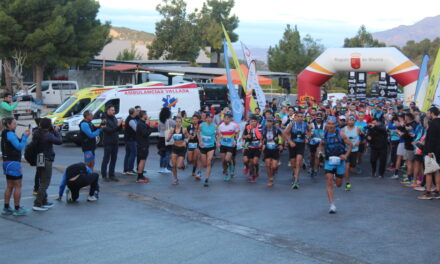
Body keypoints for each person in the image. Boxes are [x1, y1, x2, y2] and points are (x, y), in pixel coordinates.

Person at [317, 116, 352, 214]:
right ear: (326, 124)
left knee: (339, 184)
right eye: (329, 123)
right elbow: (321, 145)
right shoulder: (324, 134)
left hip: (340, 160)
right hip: (329, 160)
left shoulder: (341, 133)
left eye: (332, 124)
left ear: (336, 124)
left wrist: (346, 155)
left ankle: (337, 176)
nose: (331, 126)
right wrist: (320, 152)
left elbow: (350, 145)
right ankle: (332, 205)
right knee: (328, 180)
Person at [32, 118, 63, 211]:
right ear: (49, 125)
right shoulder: (47, 135)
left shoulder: (36, 132)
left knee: (42, 180)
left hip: (39, 157)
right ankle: (37, 203)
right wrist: (56, 131)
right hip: (46, 159)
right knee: (45, 182)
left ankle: (44, 201)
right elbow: (59, 141)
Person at [1, 118, 30, 216]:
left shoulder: (5, 133)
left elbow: (15, 144)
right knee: (18, 186)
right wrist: (25, 137)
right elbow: (19, 147)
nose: (16, 125)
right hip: (13, 163)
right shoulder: (10, 134)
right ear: (8, 124)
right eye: (14, 123)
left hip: (6, 162)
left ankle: (6, 207)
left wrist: (23, 136)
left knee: (9, 186)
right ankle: (17, 209)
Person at [284, 111, 309, 189]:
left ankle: (296, 181)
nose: (300, 118)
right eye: (298, 116)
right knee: (293, 163)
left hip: (301, 145)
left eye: (301, 116)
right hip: (293, 145)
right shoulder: (292, 124)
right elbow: (285, 133)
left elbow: (308, 132)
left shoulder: (305, 124)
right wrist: (290, 141)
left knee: (298, 162)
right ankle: (294, 174)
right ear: (296, 117)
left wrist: (307, 138)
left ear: (303, 118)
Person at [420, 106, 440, 199]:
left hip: (431, 151)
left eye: (428, 113)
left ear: (432, 113)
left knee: (428, 172)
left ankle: (428, 192)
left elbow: (431, 139)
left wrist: (429, 151)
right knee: (437, 171)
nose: (427, 114)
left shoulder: (432, 124)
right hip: (438, 150)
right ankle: (437, 192)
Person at [101, 105, 122, 182]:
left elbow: (117, 129)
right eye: (112, 110)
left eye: (114, 110)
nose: (114, 111)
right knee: (106, 159)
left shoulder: (114, 118)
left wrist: (120, 126)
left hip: (115, 142)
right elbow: (108, 131)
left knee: (114, 159)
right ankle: (104, 175)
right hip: (108, 142)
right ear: (108, 110)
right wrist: (117, 126)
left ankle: (111, 174)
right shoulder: (104, 120)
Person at [217, 112, 240, 181]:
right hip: (223, 145)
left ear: (230, 119)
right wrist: (218, 142)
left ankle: (231, 168)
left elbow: (237, 133)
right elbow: (219, 135)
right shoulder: (221, 126)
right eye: (225, 118)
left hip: (230, 145)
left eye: (227, 119)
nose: (226, 120)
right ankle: (226, 173)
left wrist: (235, 141)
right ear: (223, 119)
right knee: (223, 161)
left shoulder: (234, 125)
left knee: (227, 159)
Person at [166, 116, 189, 185]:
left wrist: (185, 142)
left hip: (182, 149)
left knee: (179, 166)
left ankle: (182, 165)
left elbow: (188, 138)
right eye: (176, 122)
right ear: (175, 122)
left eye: (179, 122)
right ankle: (175, 179)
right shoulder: (172, 130)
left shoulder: (184, 129)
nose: (178, 123)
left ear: (181, 122)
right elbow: (168, 138)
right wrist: (168, 138)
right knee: (174, 165)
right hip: (175, 148)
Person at [262, 116, 283, 186]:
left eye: (270, 121)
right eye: (268, 121)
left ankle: (274, 169)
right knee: (268, 165)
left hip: (275, 148)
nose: (269, 123)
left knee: (273, 166)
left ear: (273, 122)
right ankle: (271, 180)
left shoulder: (277, 129)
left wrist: (281, 144)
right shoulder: (264, 129)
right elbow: (261, 138)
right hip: (267, 148)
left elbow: (282, 136)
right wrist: (262, 144)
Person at [342, 115, 361, 190]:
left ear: (354, 121)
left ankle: (352, 169)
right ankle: (348, 184)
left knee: (351, 169)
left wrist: (358, 142)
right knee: (346, 167)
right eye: (349, 120)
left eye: (352, 120)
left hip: (354, 150)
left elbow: (360, 137)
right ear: (347, 121)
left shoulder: (358, 128)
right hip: (346, 150)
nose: (351, 121)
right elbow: (342, 139)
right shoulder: (343, 129)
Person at [198, 112, 216, 187]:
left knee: (208, 162)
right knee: (205, 164)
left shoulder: (214, 126)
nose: (209, 119)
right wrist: (200, 141)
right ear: (206, 118)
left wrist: (218, 141)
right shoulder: (201, 125)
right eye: (208, 117)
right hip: (203, 146)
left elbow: (218, 134)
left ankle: (206, 179)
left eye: (211, 118)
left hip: (211, 146)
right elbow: (198, 133)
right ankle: (201, 170)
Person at [243, 115, 263, 183]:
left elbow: (263, 137)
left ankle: (256, 171)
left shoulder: (261, 128)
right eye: (251, 121)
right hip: (249, 147)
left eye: (254, 121)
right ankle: (252, 175)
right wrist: (246, 136)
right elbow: (243, 136)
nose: (253, 122)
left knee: (254, 162)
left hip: (257, 147)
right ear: (249, 122)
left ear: (257, 122)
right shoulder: (247, 127)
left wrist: (261, 143)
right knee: (249, 162)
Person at [136, 110, 152, 183]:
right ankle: (139, 177)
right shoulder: (141, 124)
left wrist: (147, 124)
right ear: (143, 116)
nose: (147, 116)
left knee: (142, 160)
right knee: (142, 160)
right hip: (142, 145)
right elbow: (146, 133)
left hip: (142, 144)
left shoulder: (142, 123)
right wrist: (149, 126)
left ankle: (141, 175)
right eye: (146, 115)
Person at [308, 112, 325, 178]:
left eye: (320, 118)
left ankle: (315, 170)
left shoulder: (325, 125)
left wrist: (323, 137)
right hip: (312, 142)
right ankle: (312, 167)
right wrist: (309, 135)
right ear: (315, 118)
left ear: (322, 118)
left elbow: (326, 133)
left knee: (317, 156)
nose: (318, 119)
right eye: (317, 118)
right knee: (312, 156)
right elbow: (308, 133)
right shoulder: (311, 124)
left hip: (320, 143)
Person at [158, 107, 174, 173]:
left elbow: (158, 129)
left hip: (161, 137)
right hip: (168, 137)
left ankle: (161, 168)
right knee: (167, 153)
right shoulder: (170, 120)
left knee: (162, 153)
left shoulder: (160, 121)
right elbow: (175, 125)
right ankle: (165, 167)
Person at [123, 108, 138, 175]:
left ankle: (126, 169)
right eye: (136, 111)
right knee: (133, 153)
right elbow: (136, 129)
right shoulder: (131, 120)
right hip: (131, 139)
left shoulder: (129, 119)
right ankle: (130, 169)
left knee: (128, 154)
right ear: (133, 113)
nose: (137, 112)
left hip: (127, 139)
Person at [187, 114, 201, 180]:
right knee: (190, 159)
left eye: (196, 119)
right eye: (193, 119)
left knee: (195, 158)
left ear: (198, 120)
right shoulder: (189, 127)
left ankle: (195, 171)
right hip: (190, 144)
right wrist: (189, 136)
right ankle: (194, 167)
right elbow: (186, 134)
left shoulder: (200, 127)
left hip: (197, 144)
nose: (194, 120)